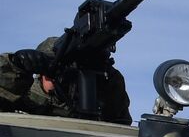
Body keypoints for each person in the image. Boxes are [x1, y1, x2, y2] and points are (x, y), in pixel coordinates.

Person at [0, 37, 132, 125]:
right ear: (41, 71)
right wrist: (14, 67)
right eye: (56, 68)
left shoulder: (90, 102)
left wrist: (107, 76)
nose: (63, 77)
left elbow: (119, 124)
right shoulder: (23, 96)